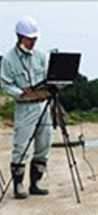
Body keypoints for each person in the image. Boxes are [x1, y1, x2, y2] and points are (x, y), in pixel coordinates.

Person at [0, 16, 52, 199]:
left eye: (35, 38)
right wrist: (20, 92)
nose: (33, 42)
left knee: (44, 143)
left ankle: (36, 182)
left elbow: (48, 76)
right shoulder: (8, 59)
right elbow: (5, 85)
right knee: (21, 146)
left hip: (42, 104)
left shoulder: (41, 56)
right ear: (20, 37)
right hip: (25, 106)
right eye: (30, 38)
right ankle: (18, 184)